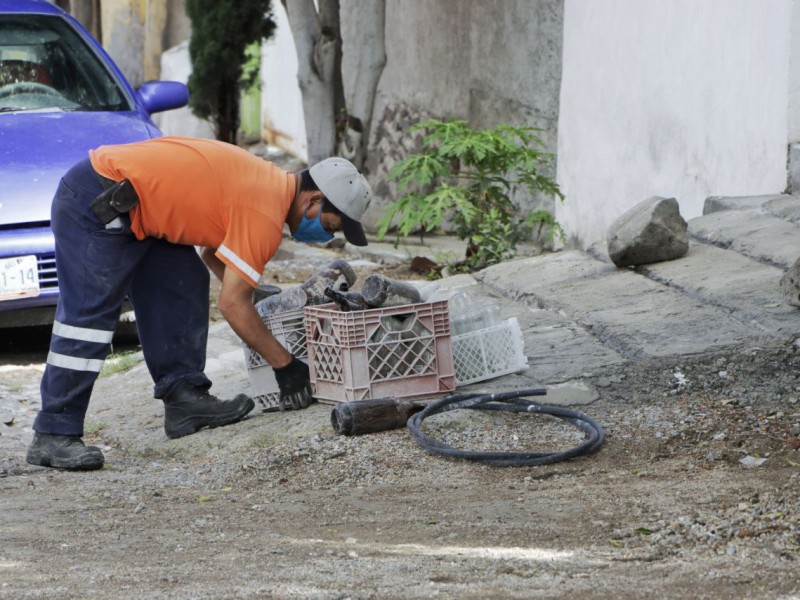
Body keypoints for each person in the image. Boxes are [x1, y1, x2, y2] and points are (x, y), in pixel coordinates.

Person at [25, 136, 372, 471]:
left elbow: (211, 251)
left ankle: (184, 398)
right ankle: (54, 432)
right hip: (98, 197)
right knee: (89, 318)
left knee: (182, 281)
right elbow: (233, 306)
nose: (327, 236)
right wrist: (285, 365)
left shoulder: (266, 183)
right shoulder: (265, 211)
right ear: (313, 200)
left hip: (136, 207)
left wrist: (249, 288)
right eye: (330, 225)